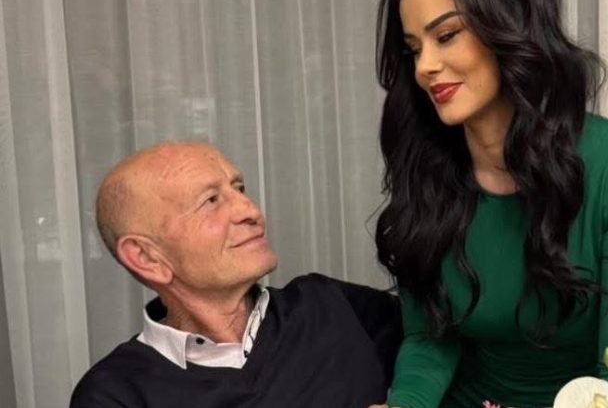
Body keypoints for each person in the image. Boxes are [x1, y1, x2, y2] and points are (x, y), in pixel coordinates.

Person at [370, 0, 608, 407]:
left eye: (447, 35)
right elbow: (430, 339)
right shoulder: (427, 172)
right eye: (414, 49)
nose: (425, 67)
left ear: (510, 27)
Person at [70, 142, 402, 408]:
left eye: (240, 189)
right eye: (211, 201)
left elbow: (431, 342)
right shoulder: (115, 394)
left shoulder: (329, 305)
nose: (250, 210)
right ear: (146, 257)